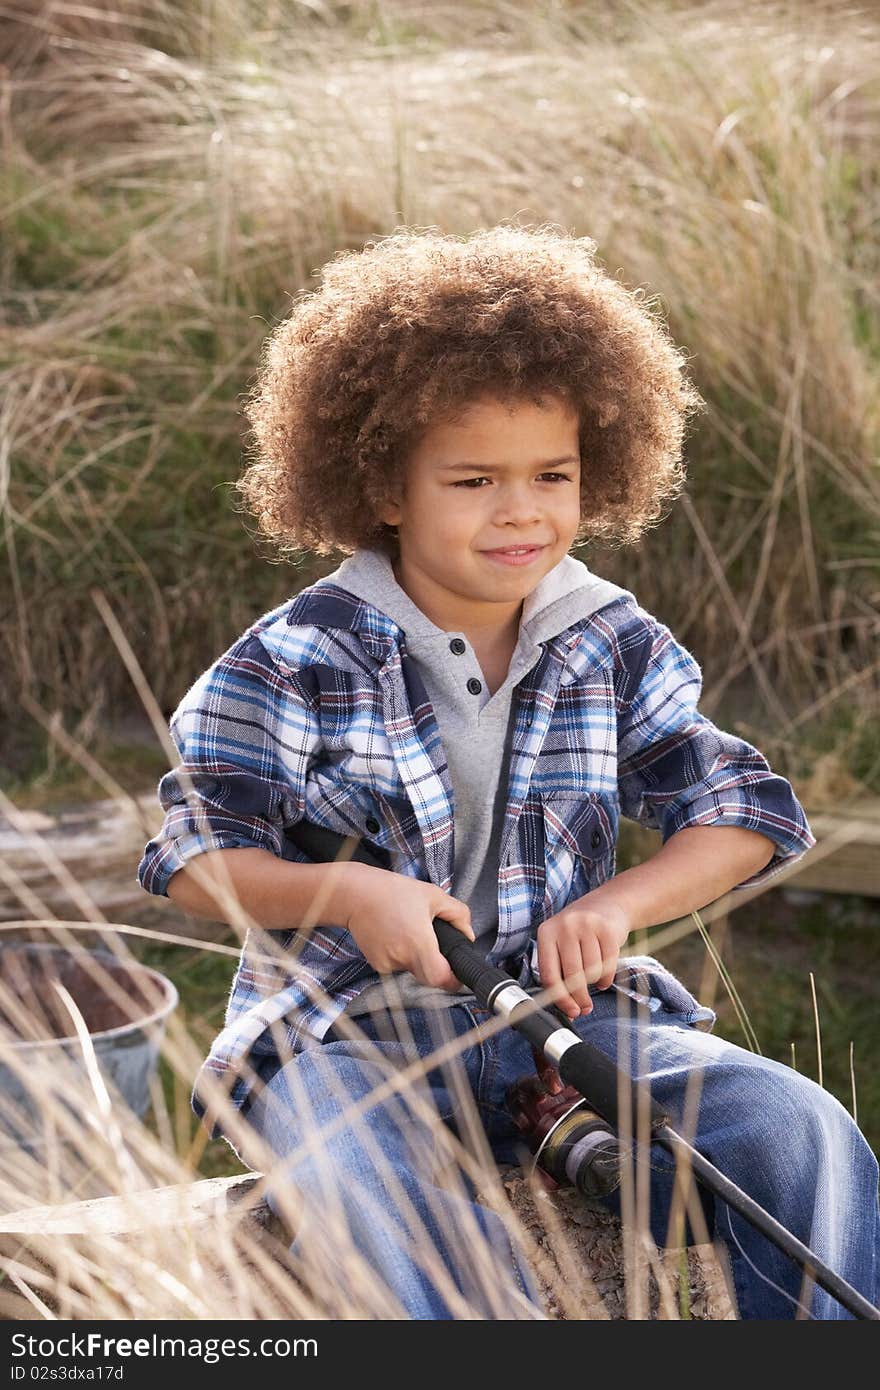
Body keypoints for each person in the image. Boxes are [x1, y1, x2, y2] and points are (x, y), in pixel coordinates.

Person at [137, 224, 879, 1320]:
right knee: (381, 1196)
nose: (521, 510)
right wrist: (346, 894)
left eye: (552, 475)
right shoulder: (294, 656)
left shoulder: (610, 640)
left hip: (566, 1029)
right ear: (385, 485)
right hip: (348, 1038)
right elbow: (195, 858)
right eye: (474, 478)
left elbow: (744, 813)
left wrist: (620, 903)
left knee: (795, 1126)